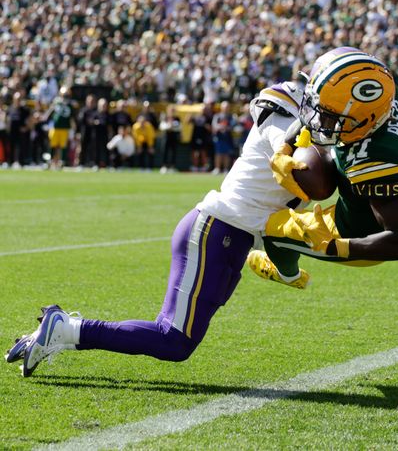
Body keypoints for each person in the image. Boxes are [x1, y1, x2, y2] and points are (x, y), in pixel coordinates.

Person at [5, 82, 307, 376]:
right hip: (217, 231)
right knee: (172, 338)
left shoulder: (308, 140)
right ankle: (67, 328)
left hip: (231, 239)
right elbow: (297, 154)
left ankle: (62, 333)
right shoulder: (283, 119)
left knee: (179, 341)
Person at [246, 47, 398, 287]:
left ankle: (288, 274)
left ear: (363, 120)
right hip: (380, 203)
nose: (318, 120)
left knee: (270, 228)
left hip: (362, 233)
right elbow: (322, 112)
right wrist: (285, 148)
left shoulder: (375, 164)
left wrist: (333, 246)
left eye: (330, 115)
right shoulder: (380, 93)